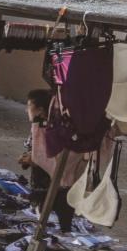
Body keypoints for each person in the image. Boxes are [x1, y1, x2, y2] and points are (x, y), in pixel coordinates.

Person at [21, 88, 83, 230]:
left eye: (29, 106)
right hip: (52, 186)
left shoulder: (47, 130)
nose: (26, 110)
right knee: (56, 222)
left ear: (41, 110)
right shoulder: (40, 128)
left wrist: (33, 159)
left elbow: (45, 158)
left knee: (49, 221)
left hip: (51, 186)